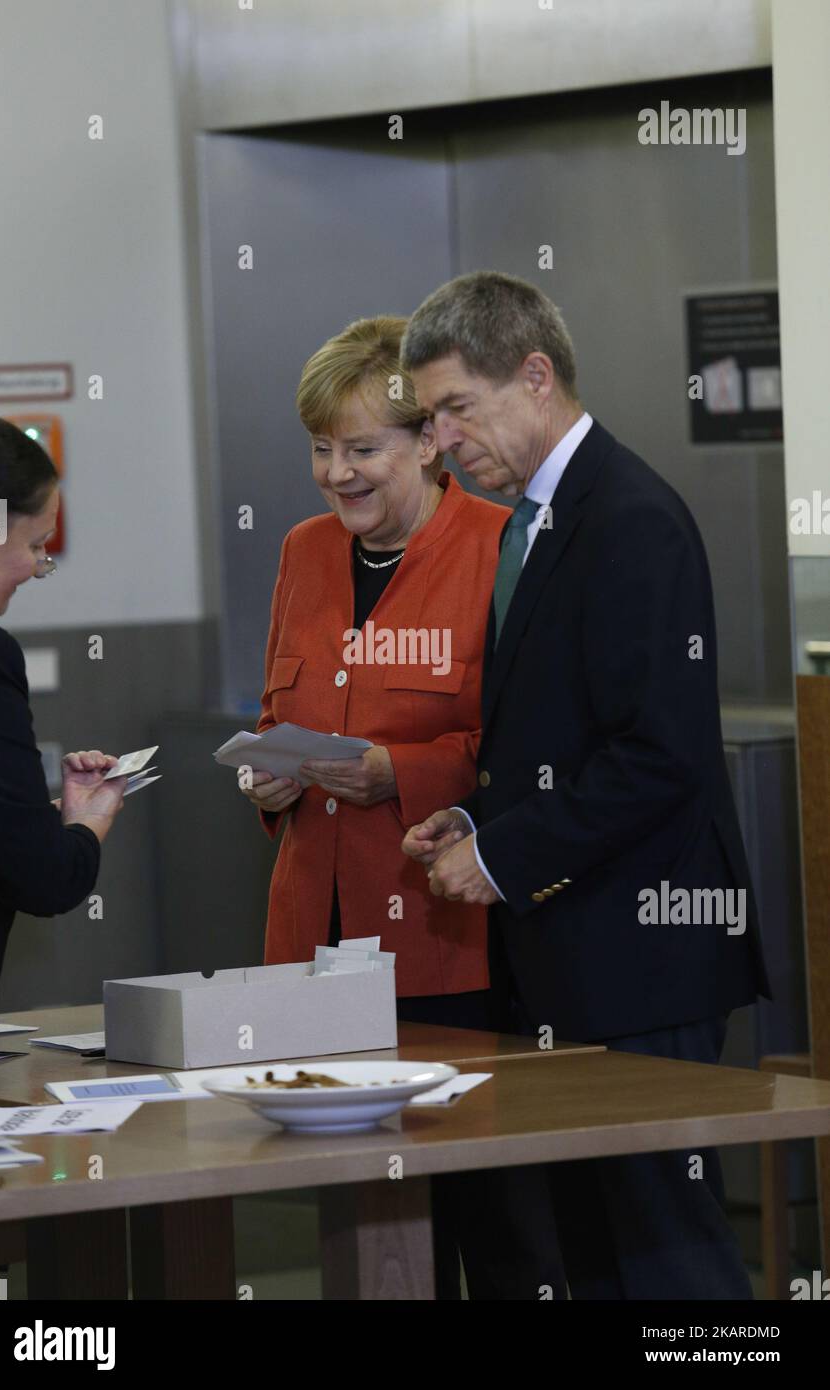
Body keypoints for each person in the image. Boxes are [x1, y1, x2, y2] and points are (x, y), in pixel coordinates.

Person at [401, 270, 771, 1299]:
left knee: (665, 1254)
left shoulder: (629, 516)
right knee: (589, 1254)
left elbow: (660, 758)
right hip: (569, 960)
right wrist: (473, 817)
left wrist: (505, 853)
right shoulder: (532, 520)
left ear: (533, 375)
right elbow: (555, 737)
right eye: (425, 418)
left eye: (453, 410)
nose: (438, 441)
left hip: (642, 956)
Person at [241, 316, 517, 1296]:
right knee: (359, 1224)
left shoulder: (498, 545)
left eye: (361, 448)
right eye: (320, 448)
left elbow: (523, 751)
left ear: (428, 443)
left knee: (483, 1216)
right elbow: (279, 711)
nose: (335, 472)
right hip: (313, 945)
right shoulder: (304, 550)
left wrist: (398, 770)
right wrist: (265, 780)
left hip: (442, 937)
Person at [0, 411, 126, 1097]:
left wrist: (29, 814)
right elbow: (44, 877)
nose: (37, 566)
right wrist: (83, 825)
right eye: (34, 544)